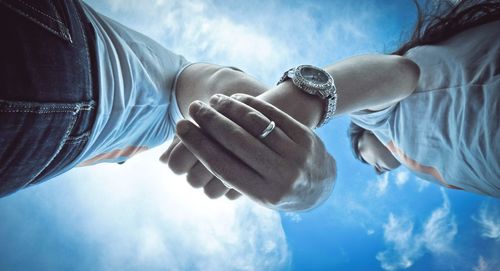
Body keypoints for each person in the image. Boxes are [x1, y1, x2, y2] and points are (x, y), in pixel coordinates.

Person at [163, 0, 500, 207]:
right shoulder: (433, 169)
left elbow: (396, 70)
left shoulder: (382, 124)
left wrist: (295, 103)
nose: (377, 168)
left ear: (363, 137)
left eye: (365, 158)